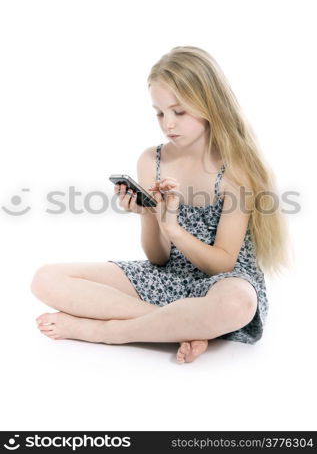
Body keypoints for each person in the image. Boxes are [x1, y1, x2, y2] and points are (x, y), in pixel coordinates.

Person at [31, 46, 291, 364]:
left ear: (209, 105)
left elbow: (222, 264)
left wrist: (173, 227)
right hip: (171, 278)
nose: (168, 123)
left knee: (237, 303)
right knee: (46, 278)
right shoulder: (151, 160)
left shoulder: (235, 170)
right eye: (159, 112)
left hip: (225, 283)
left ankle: (107, 332)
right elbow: (157, 259)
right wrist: (148, 215)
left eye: (179, 111)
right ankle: (179, 326)